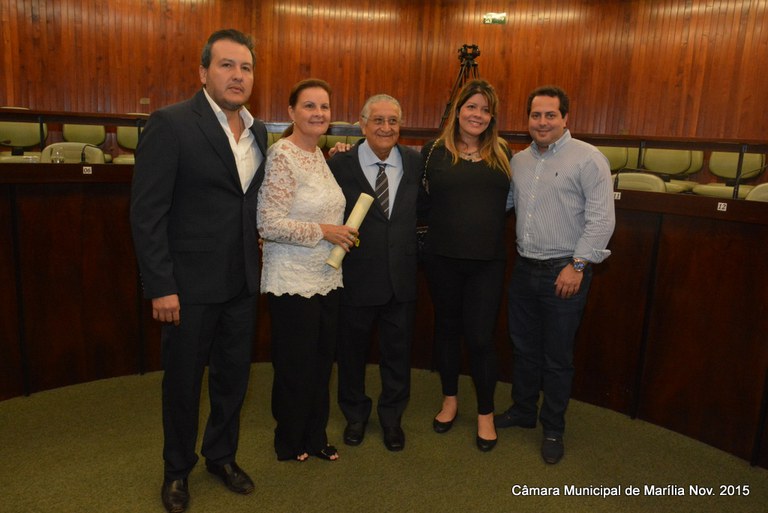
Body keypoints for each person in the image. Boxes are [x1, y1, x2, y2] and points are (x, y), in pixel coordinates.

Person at [130, 29, 266, 513]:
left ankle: (221, 457)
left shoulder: (258, 132)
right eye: (227, 65)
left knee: (233, 380)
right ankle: (176, 470)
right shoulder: (170, 124)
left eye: (246, 67)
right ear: (203, 72)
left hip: (243, 282)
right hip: (187, 288)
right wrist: (160, 286)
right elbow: (147, 214)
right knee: (183, 385)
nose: (238, 75)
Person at [495, 85, 615, 465]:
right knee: (523, 348)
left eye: (550, 115)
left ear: (565, 118)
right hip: (524, 269)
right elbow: (502, 205)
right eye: (536, 115)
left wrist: (577, 266)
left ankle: (553, 427)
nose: (542, 122)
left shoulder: (588, 159)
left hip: (565, 273)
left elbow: (601, 220)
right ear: (528, 119)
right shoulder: (519, 162)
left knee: (557, 357)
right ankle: (523, 409)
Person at [257, 78, 358, 463]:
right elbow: (268, 224)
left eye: (324, 107)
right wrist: (325, 231)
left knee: (320, 365)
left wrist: (337, 232)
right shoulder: (282, 155)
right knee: (295, 366)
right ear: (292, 112)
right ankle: (289, 439)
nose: (318, 113)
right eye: (309, 106)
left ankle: (315, 436)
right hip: (291, 280)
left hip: (327, 277)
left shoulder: (319, 156)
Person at [327, 94, 423, 452]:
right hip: (356, 276)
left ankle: (392, 419)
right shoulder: (340, 164)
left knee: (397, 355)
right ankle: (355, 416)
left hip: (402, 277)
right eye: (378, 120)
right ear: (362, 124)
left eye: (393, 121)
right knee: (351, 354)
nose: (386, 128)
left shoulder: (416, 162)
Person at [422, 79, 512, 452]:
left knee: (480, 338)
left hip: (487, 263)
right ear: (458, 110)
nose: (477, 115)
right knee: (446, 330)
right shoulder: (433, 151)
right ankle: (450, 401)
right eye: (471, 106)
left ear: (492, 117)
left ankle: (485, 414)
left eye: (485, 109)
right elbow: (417, 199)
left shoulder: (503, 153)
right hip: (441, 259)